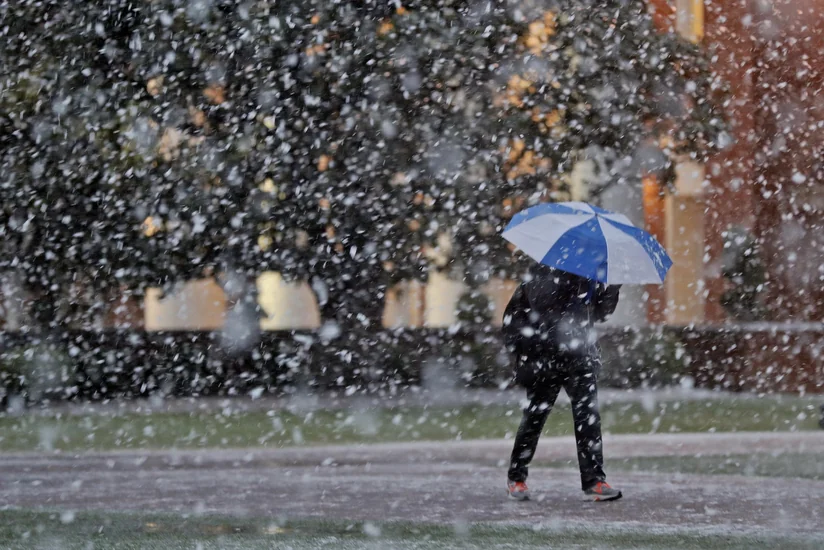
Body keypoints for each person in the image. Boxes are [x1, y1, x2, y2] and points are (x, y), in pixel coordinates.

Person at [502, 264, 622, 502]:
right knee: (535, 417)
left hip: (579, 357)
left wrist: (613, 287)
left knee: (588, 417)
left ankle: (594, 481)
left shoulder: (590, 275)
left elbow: (599, 313)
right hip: (545, 357)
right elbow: (546, 311)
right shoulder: (544, 272)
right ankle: (516, 477)